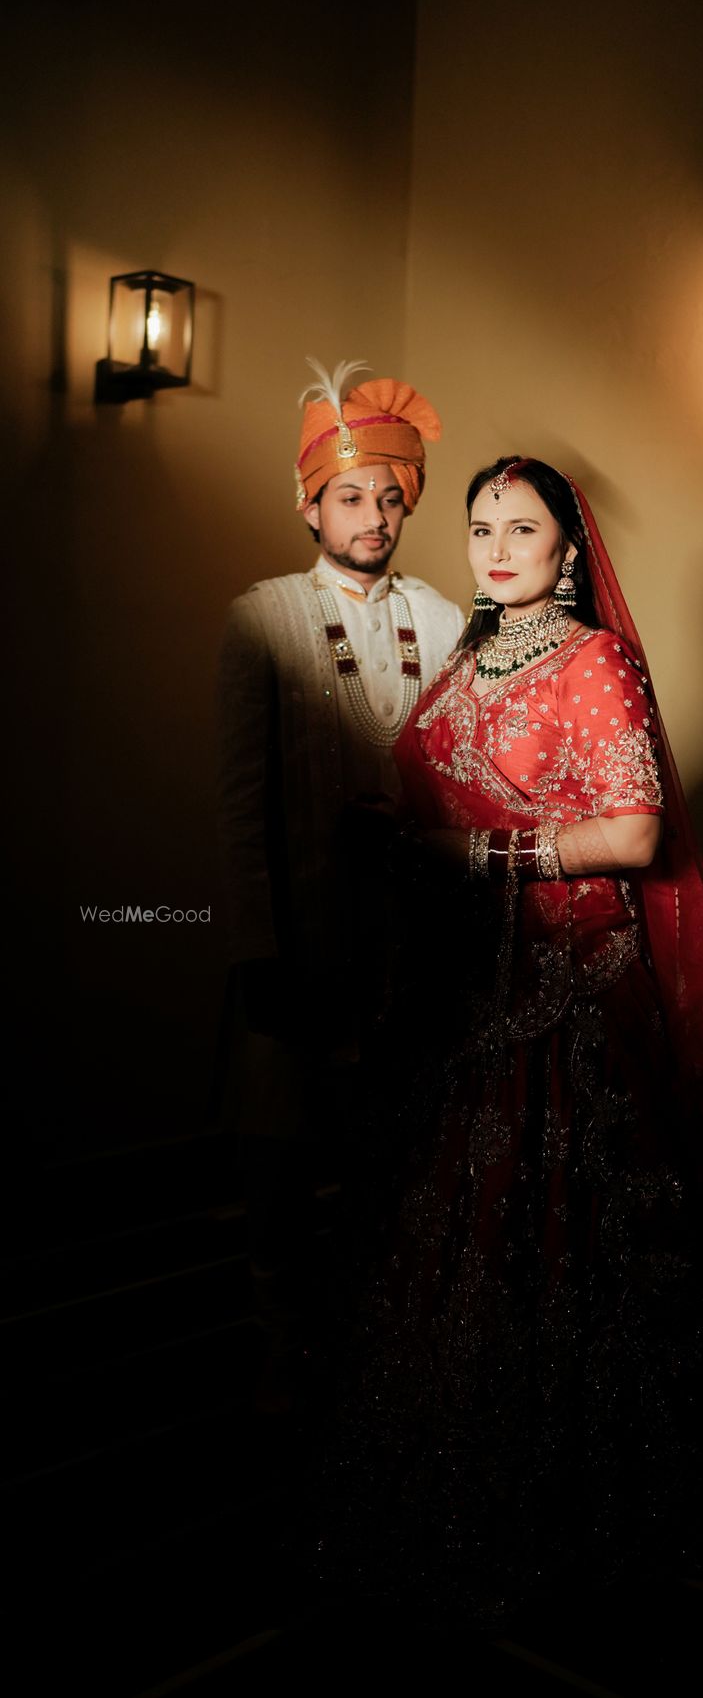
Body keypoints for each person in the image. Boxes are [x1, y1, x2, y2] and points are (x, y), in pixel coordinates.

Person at [312, 456, 703, 1618]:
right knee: (454, 1233)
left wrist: (467, 857)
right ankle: (465, 1474)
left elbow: (633, 832)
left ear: (569, 549)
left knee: (560, 1234)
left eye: (523, 528)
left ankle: (582, 1490)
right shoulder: (468, 660)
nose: (497, 547)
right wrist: (394, 837)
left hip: (565, 993)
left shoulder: (594, 658)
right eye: (481, 527)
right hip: (462, 993)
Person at [216, 359, 466, 1407]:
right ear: (309, 502)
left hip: (406, 938)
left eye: (390, 498)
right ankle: (284, 1351)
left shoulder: (445, 620)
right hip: (297, 935)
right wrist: (255, 950)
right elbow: (241, 804)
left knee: (391, 1153)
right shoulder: (262, 616)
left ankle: (380, 1356)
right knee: (281, 1155)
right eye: (352, 497)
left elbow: (462, 782)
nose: (374, 517)